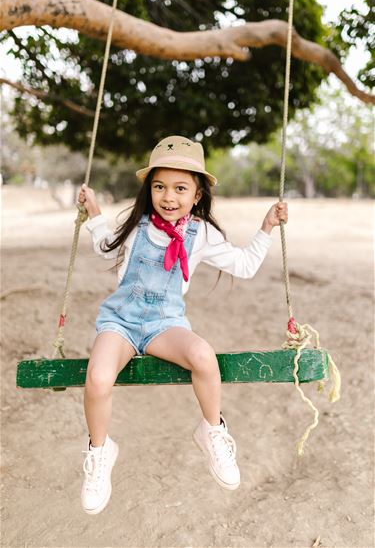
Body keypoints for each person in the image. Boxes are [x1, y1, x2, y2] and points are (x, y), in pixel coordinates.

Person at [78, 135, 288, 515]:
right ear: (149, 189)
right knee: (98, 378)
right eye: (160, 186)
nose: (168, 197)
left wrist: (266, 227)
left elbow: (244, 265)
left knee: (203, 355)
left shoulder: (201, 233)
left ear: (197, 195)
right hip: (120, 323)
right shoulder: (134, 224)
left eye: (180, 188)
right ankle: (100, 451)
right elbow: (104, 244)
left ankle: (212, 430)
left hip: (164, 325)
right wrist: (93, 212)